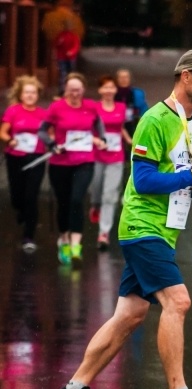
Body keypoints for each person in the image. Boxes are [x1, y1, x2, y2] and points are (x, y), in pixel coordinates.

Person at [53, 49, 192, 389]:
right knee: (178, 302)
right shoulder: (154, 119)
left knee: (130, 315)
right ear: (186, 76)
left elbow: (188, 188)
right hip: (142, 227)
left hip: (164, 231)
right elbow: (145, 180)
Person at [38, 72, 106, 267]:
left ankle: (76, 245)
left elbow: (99, 124)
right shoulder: (56, 107)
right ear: (65, 90)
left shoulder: (91, 107)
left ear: (83, 90)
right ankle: (64, 239)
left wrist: (102, 139)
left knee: (77, 200)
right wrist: (52, 145)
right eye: (71, 90)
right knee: (64, 203)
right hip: (60, 163)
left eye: (78, 90)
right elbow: (42, 131)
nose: (75, 94)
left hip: (84, 162)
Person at [0, 76, 49, 253]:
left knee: (31, 196)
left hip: (36, 158)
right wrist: (10, 140)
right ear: (21, 95)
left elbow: (50, 133)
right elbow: (3, 132)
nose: (30, 95)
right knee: (17, 197)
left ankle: (29, 236)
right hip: (15, 157)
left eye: (33, 93)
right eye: (27, 92)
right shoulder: (13, 111)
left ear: (37, 95)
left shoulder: (43, 114)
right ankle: (21, 211)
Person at [89, 75, 131, 251]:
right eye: (105, 87)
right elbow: (87, 128)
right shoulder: (94, 108)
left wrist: (129, 140)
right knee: (97, 189)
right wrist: (96, 140)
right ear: (99, 90)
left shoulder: (121, 107)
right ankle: (95, 205)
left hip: (116, 155)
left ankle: (104, 233)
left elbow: (119, 127)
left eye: (111, 87)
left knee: (110, 194)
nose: (108, 90)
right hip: (96, 154)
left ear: (115, 90)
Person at [114, 68, 149, 140]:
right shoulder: (112, 93)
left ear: (130, 79)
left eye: (126, 77)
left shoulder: (138, 93)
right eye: (121, 77)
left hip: (133, 124)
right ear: (117, 79)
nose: (123, 79)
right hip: (116, 124)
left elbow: (144, 111)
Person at [54, 20, 81, 95]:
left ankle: (71, 88)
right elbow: (55, 45)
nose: (67, 27)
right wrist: (59, 42)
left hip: (71, 58)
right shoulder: (60, 35)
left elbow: (76, 46)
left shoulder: (74, 35)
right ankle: (62, 89)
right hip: (61, 57)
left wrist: (72, 52)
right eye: (66, 26)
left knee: (71, 74)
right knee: (63, 73)